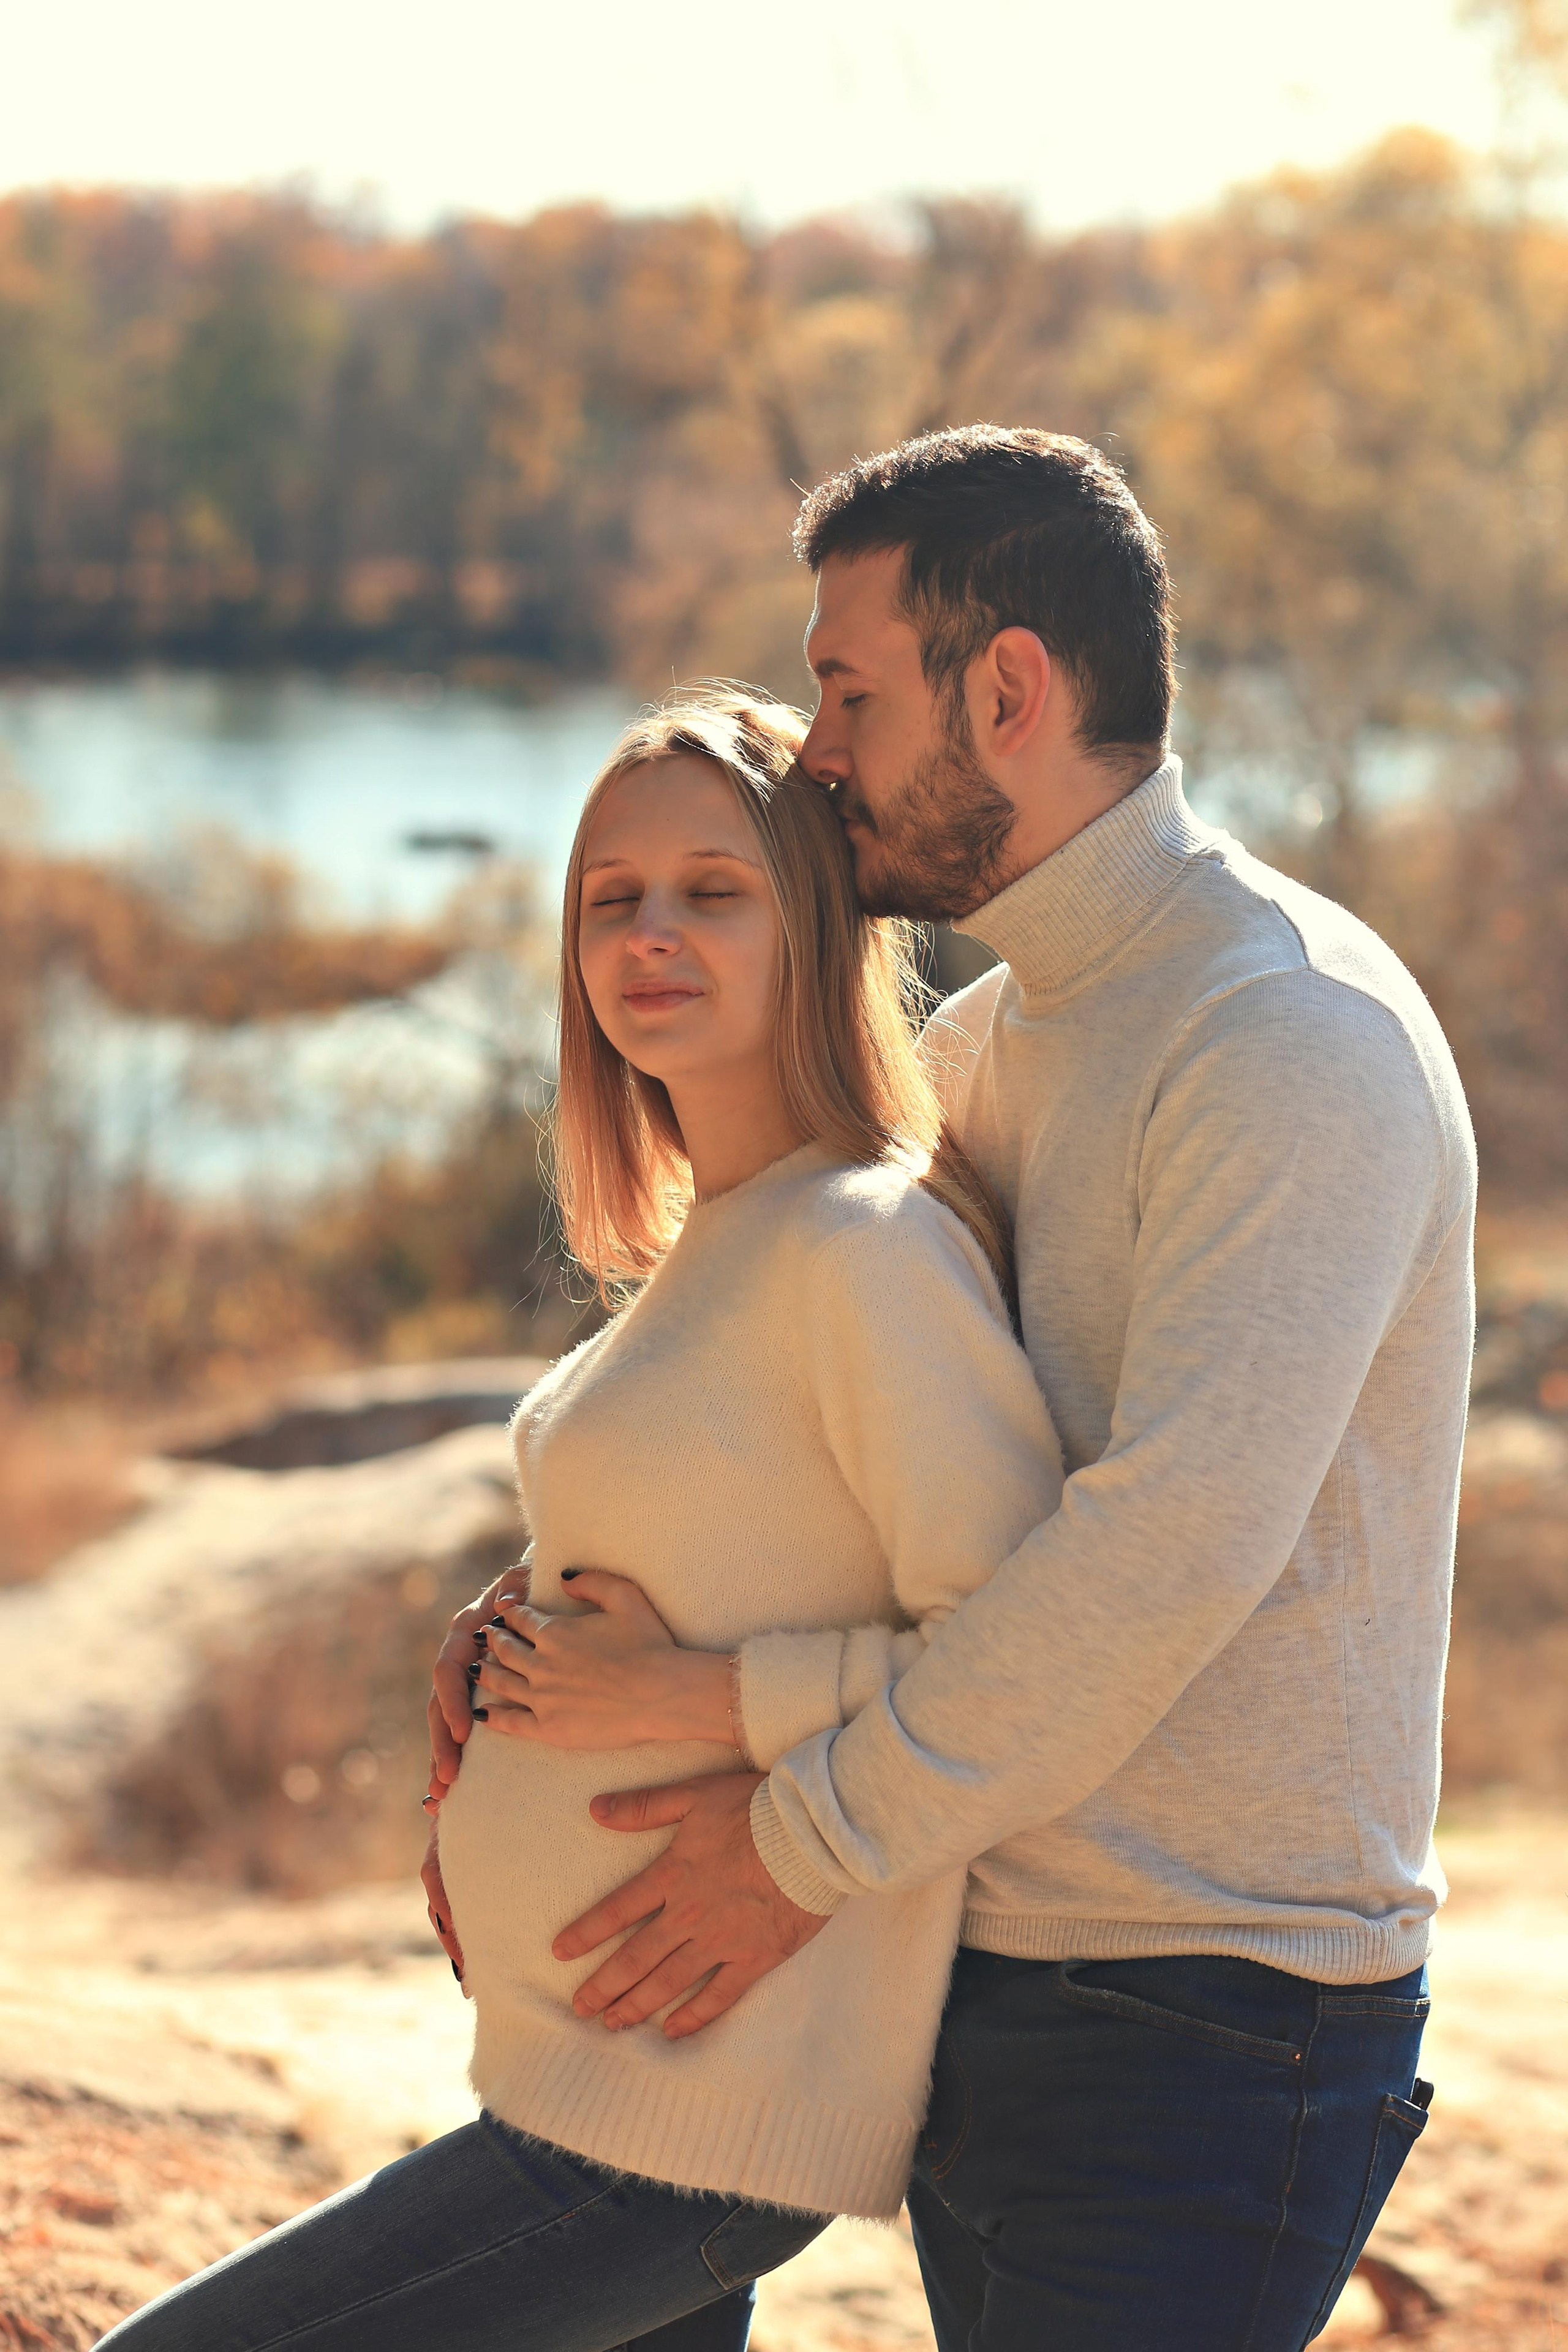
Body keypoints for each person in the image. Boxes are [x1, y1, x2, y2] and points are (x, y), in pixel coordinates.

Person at [425, 427, 1476, 2352]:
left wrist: (789, 1846)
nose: (815, 751)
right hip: (987, 1957)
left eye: (847, 688)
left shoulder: (1287, 1039)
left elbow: (1162, 1552)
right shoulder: (998, 1042)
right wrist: (558, 1640)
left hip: (1212, 2009)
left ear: (1006, 692)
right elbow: (851, 1465)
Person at [98, 687, 1065, 2351]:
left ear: (817, 921)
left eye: (715, 889)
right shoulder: (736, 1241)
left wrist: (692, 1707)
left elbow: (1028, 1655)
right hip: (603, 2087)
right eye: (612, 899)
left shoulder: (865, 1248)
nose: (651, 933)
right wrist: (519, 1654)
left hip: (689, 2122)